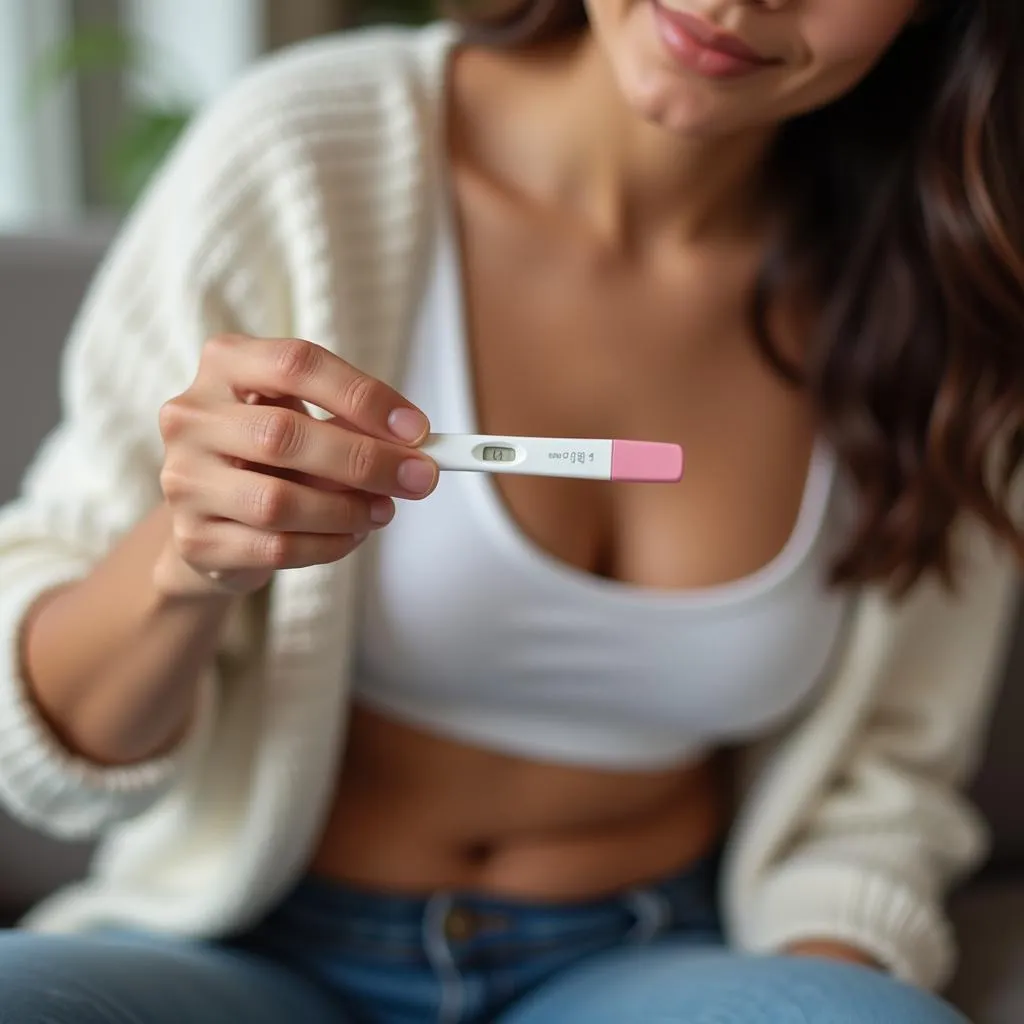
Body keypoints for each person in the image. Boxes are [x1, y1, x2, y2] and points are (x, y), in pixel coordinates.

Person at [0, 0, 1021, 1020]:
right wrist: (183, 565)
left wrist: (820, 981)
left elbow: (884, 778)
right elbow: (49, 761)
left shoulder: (954, 293)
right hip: (243, 944)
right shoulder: (306, 155)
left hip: (646, 963)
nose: (730, 5)